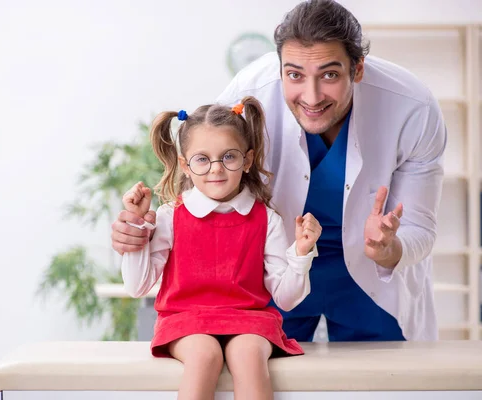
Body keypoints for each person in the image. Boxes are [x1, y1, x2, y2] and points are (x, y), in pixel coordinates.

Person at [112, 0, 447, 342]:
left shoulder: (412, 107)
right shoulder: (248, 96)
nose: (312, 96)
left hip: (372, 282)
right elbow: (207, 196)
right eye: (294, 75)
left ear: (357, 69)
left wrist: (389, 249)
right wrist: (139, 234)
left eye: (330, 74)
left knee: (383, 384)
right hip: (275, 272)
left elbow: (420, 227)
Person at [120, 96, 322, 400]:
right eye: (202, 159)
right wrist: (137, 226)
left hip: (251, 321)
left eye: (229, 156)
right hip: (185, 319)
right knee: (204, 354)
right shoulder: (169, 216)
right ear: (186, 166)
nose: (216, 169)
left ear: (248, 159)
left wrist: (302, 254)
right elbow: (137, 287)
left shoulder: (266, 219)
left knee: (248, 355)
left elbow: (287, 299)